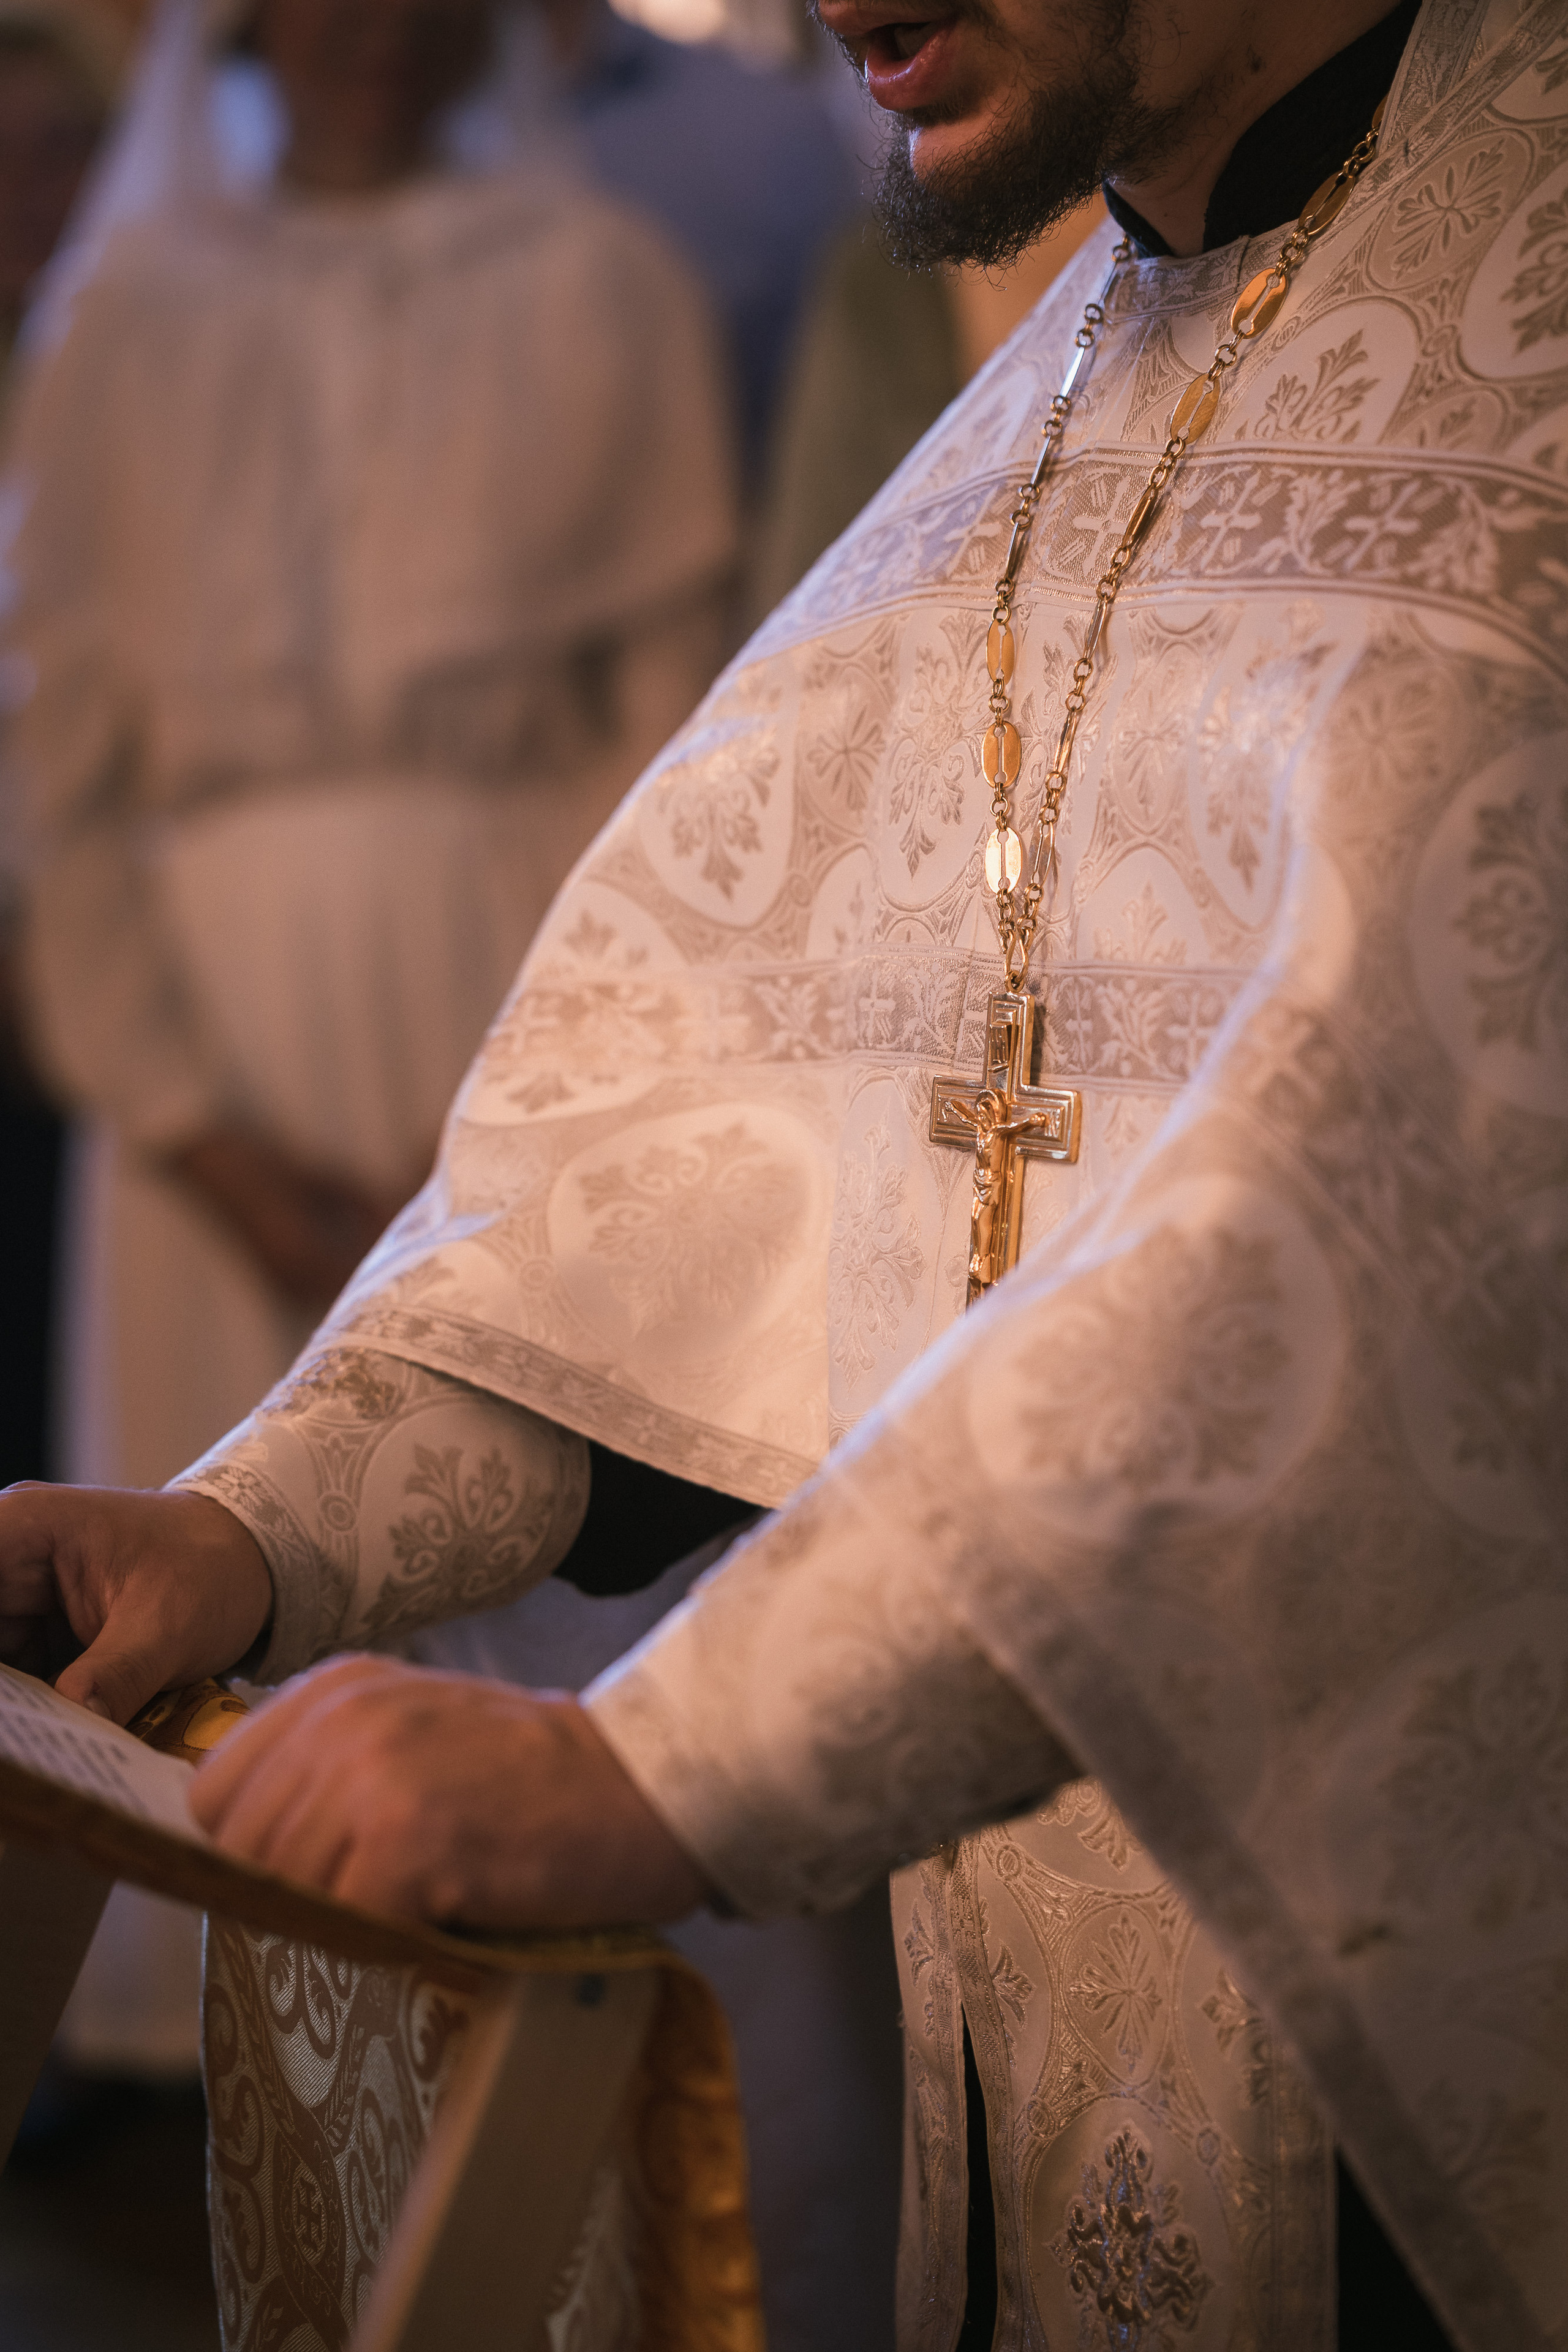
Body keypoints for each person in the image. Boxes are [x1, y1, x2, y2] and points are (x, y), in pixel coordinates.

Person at [2, 0, 1564, 2346]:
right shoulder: (1072, 371)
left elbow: (1341, 1222)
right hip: (1024, 1978)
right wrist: (267, 1524)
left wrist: (674, 1765)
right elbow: (699, 1118)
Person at [0, 0, 734, 2076]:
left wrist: (555, 1106)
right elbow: (63, 765)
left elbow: (668, 728)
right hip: (214, 998)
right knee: (211, 1537)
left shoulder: (602, 281)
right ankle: (219, 2056)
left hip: (511, 976)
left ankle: (526, 2040)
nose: (375, 30)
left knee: (510, 1518)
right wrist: (196, 1127)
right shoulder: (125, 308)